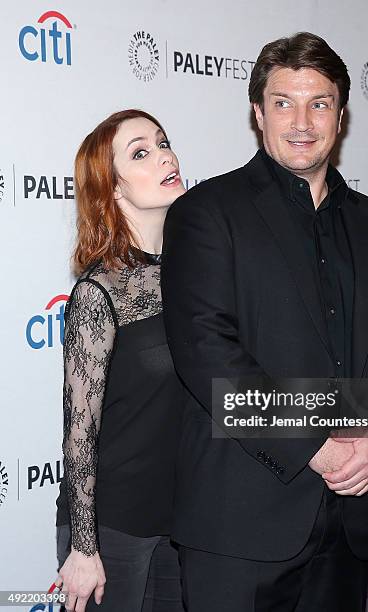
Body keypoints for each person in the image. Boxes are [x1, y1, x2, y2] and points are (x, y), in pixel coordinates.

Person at [161, 33, 368, 611]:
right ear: (258, 113)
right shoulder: (206, 214)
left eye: (320, 102)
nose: (302, 121)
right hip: (238, 526)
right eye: (283, 102)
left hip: (348, 525)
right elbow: (209, 354)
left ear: (341, 114)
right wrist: (317, 446)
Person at [55, 109, 186, 612]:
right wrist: (84, 548)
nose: (165, 155)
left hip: (182, 520)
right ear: (112, 190)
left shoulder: (194, 275)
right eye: (141, 153)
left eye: (163, 141)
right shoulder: (99, 293)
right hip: (112, 528)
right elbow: (79, 432)